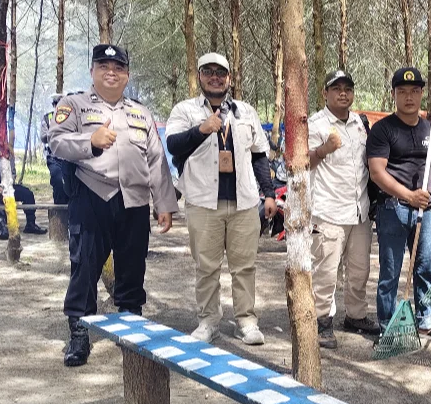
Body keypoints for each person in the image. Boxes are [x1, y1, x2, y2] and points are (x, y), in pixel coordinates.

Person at [49, 44, 178, 367]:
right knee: (85, 269)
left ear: (126, 74)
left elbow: (157, 160)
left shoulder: (139, 112)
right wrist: (89, 142)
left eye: (118, 67)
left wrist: (164, 203)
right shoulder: (74, 105)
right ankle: (79, 332)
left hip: (134, 201)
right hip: (92, 196)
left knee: (133, 270)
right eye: (104, 66)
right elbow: (57, 143)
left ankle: (131, 328)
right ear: (93, 71)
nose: (111, 72)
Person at [165, 52, 275, 345]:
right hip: (203, 201)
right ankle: (208, 321)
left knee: (244, 266)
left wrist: (268, 194)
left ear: (229, 78)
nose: (215, 77)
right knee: (207, 266)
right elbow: (173, 145)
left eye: (221, 72)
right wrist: (202, 129)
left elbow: (259, 155)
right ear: (200, 76)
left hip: (244, 201)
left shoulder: (245, 111)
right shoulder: (186, 110)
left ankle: (246, 321)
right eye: (208, 71)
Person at [367, 66, 431, 343]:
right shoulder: (382, 130)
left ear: (421, 94)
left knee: (425, 268)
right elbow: (377, 172)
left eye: (414, 91)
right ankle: (388, 326)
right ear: (394, 94)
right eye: (402, 92)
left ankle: (426, 322)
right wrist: (408, 195)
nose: (408, 97)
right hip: (392, 208)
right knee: (390, 272)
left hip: (425, 211)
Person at [307, 69, 379, 349]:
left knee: (360, 269)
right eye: (336, 88)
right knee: (326, 271)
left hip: (359, 211)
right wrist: (324, 149)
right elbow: (301, 163)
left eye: (347, 88)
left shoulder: (360, 124)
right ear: (325, 93)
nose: (343, 93)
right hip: (329, 211)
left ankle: (355, 315)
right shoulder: (315, 124)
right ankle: (321, 321)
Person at [42, 94, 70, 207]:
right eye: (57, 104)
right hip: (54, 158)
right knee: (58, 181)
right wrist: (55, 132)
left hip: (70, 157)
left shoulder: (72, 116)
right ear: (54, 105)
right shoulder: (47, 118)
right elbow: (43, 137)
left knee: (71, 184)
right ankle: (59, 214)